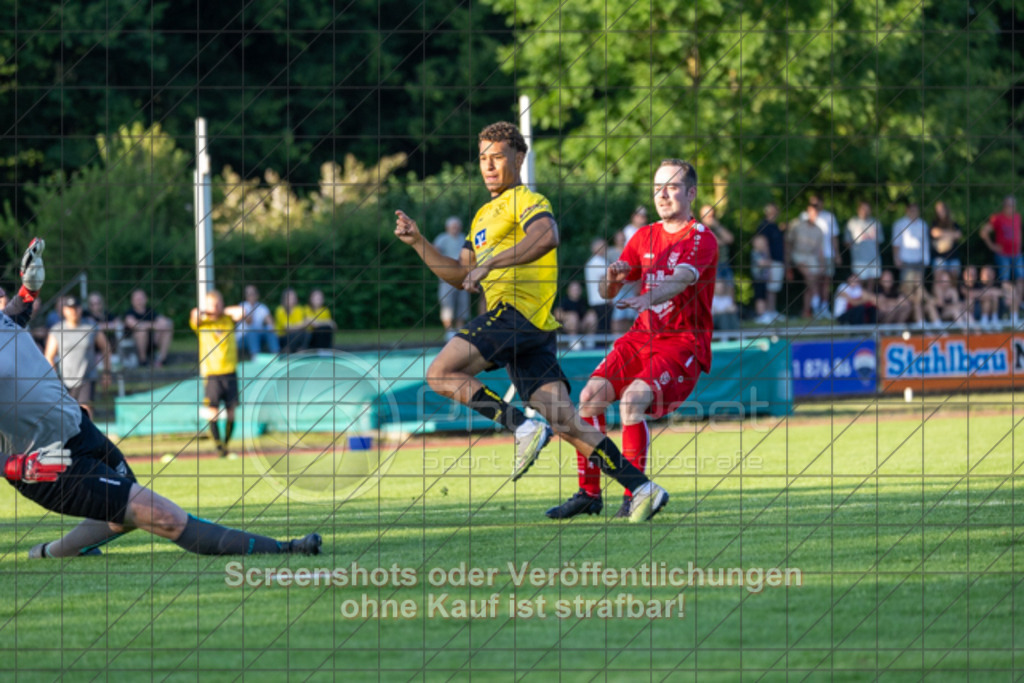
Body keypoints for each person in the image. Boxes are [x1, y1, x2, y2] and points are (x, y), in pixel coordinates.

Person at [394, 121, 668, 522]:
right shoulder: (483, 216)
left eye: (497, 157)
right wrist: (419, 242)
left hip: (516, 316)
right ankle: (643, 487)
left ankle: (522, 428)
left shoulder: (526, 199)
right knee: (565, 421)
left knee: (440, 373)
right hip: (531, 330)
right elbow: (460, 274)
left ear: (519, 158)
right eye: (483, 158)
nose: (488, 166)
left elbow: (547, 237)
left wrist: (492, 263)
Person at [0, 242, 323, 559]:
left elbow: (13, 317)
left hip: (79, 430)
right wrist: (17, 466)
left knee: (122, 512)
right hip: (44, 463)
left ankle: (50, 553)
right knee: (162, 516)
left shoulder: (4, 320)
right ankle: (283, 547)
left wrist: (29, 290)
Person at [546, 159, 716, 520]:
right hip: (641, 336)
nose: (663, 194)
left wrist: (647, 297)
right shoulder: (643, 237)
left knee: (632, 400)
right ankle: (589, 494)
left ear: (691, 193)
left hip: (682, 342)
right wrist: (612, 277)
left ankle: (634, 495)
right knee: (589, 398)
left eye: (671, 187)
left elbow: (682, 279)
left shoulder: (701, 238)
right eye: (657, 188)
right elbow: (607, 292)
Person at [190, 290, 245, 459]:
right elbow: (194, 315)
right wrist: (209, 311)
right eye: (212, 304)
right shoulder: (203, 324)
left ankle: (226, 445)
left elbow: (241, 313)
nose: (216, 307)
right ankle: (219, 447)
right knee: (212, 411)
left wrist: (221, 310)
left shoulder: (227, 320)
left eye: (218, 303)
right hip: (212, 373)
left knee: (231, 411)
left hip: (229, 371)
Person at [44, 295, 112, 416]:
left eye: (76, 308)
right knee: (67, 413)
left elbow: (106, 348)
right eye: (70, 308)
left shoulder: (91, 327)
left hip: (87, 377)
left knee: (85, 410)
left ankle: (88, 435)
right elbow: (49, 356)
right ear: (64, 310)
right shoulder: (57, 330)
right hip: (65, 379)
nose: (73, 311)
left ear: (80, 309)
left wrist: (106, 372)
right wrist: (53, 378)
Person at [980, 196, 1022, 323]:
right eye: (1010, 206)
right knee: (1006, 282)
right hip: (1003, 255)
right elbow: (983, 232)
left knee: (1021, 280)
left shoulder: (1017, 217)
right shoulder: (997, 218)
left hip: (1016, 254)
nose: (1012, 208)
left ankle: (1017, 305)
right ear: (1005, 206)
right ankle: (1008, 309)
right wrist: (992, 246)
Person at [433, 216, 472, 338]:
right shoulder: (442, 238)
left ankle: (460, 331)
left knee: (463, 305)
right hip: (447, 278)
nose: (455, 228)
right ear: (448, 227)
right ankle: (449, 332)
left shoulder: (463, 238)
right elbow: (434, 252)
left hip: (463, 277)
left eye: (457, 226)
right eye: (453, 226)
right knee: (447, 304)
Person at [891, 202, 930, 323]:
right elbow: (896, 243)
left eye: (916, 210)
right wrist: (896, 258)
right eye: (911, 210)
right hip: (906, 261)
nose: (914, 212)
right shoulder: (899, 224)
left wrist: (926, 260)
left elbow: (925, 244)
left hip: (919, 261)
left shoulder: (923, 224)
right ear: (907, 211)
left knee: (919, 290)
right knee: (907, 291)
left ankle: (919, 318)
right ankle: (906, 319)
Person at [786, 207, 826, 319]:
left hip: (811, 257)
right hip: (798, 255)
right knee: (809, 276)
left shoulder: (819, 230)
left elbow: (820, 250)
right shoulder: (797, 226)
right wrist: (787, 263)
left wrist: (822, 264)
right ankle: (817, 303)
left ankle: (806, 311)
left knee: (811, 282)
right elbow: (788, 243)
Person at [123, 289, 174, 367]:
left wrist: (158, 328)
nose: (139, 301)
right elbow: (134, 324)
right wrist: (153, 325)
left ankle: (162, 359)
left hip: (152, 339)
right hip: (134, 343)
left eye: (141, 299)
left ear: (146, 299)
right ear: (132, 301)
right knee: (142, 332)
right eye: (137, 299)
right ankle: (143, 361)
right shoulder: (129, 313)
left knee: (167, 327)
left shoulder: (150, 311)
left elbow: (165, 322)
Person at [754, 202, 785, 323]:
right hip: (769, 262)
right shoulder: (764, 226)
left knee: (774, 288)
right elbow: (763, 244)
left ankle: (772, 311)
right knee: (766, 287)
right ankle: (765, 312)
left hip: (777, 261)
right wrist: (769, 262)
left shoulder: (776, 226)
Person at [845, 201, 884, 289]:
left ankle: (869, 302)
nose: (865, 211)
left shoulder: (876, 223)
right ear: (858, 210)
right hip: (859, 259)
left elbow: (879, 241)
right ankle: (859, 302)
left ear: (871, 210)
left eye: (867, 208)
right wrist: (856, 250)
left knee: (871, 283)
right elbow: (847, 242)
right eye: (863, 208)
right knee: (858, 283)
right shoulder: (852, 223)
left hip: (874, 259)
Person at [237, 284, 279, 357]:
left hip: (259, 337)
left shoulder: (262, 307)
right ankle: (255, 356)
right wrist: (252, 307)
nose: (251, 296)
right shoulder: (241, 306)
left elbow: (270, 322)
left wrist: (271, 327)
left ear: (257, 295)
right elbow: (249, 321)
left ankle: (276, 354)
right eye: (249, 294)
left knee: (269, 330)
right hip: (242, 339)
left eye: (253, 293)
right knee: (252, 331)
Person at [553, 281, 597, 346]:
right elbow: (557, 314)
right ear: (568, 291)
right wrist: (568, 316)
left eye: (577, 289)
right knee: (573, 317)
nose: (575, 291)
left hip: (581, 325)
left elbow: (589, 313)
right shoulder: (564, 301)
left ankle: (589, 341)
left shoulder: (583, 301)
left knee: (592, 316)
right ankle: (573, 341)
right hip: (567, 327)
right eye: (573, 289)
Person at [699, 204, 735, 283]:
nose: (710, 219)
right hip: (711, 267)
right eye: (707, 216)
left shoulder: (718, 227)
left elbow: (730, 239)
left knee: (729, 290)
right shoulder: (700, 229)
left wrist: (717, 226)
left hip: (725, 264)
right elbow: (715, 243)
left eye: (712, 216)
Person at [583, 237, 612, 334]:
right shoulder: (596, 262)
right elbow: (607, 278)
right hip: (600, 300)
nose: (604, 248)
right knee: (603, 329)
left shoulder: (601, 261)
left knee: (605, 328)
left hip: (602, 300)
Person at [930, 200, 963, 275]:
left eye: (942, 209)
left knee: (954, 280)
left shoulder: (953, 223)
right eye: (938, 209)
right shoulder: (934, 222)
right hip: (939, 257)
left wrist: (942, 233)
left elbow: (959, 235)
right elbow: (934, 233)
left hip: (953, 257)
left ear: (946, 209)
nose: (940, 211)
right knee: (939, 281)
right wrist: (951, 234)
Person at [274, 288, 311, 353]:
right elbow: (287, 328)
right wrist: (301, 325)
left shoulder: (299, 309)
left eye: (292, 297)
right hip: (282, 337)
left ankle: (300, 351)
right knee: (297, 334)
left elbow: (305, 325)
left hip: (296, 335)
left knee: (307, 333)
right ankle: (287, 351)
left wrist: (297, 326)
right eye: (288, 297)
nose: (291, 299)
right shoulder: (280, 310)